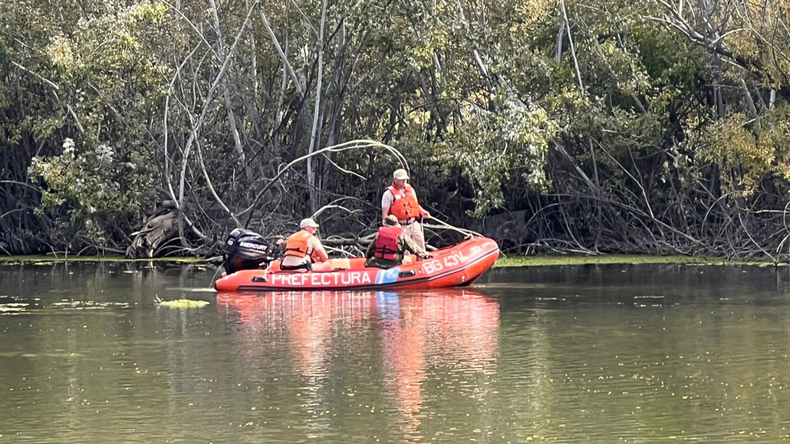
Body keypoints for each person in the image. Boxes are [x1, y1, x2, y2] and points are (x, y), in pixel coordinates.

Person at [381, 168, 430, 251]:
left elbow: (415, 204)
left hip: (413, 223)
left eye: (405, 179)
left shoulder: (410, 190)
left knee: (421, 246)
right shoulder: (388, 194)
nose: (404, 181)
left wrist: (422, 211)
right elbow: (385, 214)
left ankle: (422, 258)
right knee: (405, 250)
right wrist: (387, 228)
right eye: (401, 180)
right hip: (401, 226)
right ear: (395, 180)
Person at [366, 215, 431, 269]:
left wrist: (369, 257)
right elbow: (415, 248)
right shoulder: (401, 236)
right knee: (409, 258)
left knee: (368, 261)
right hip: (394, 263)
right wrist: (425, 255)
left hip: (379, 263)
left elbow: (370, 250)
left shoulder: (379, 234)